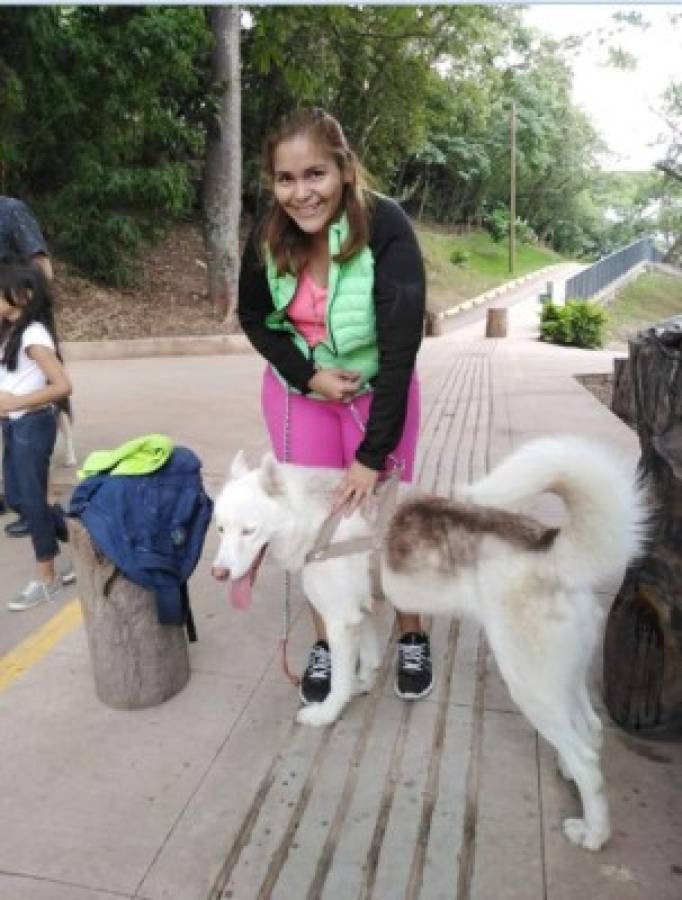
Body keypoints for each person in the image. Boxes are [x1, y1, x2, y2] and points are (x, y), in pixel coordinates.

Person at [238, 106, 432, 704]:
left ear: (344, 169)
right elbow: (254, 319)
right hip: (301, 397)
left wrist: (372, 458)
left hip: (382, 395)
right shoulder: (270, 233)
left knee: (388, 522)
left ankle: (410, 631)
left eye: (315, 174)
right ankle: (328, 639)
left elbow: (401, 351)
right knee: (313, 524)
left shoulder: (387, 225)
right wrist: (309, 376)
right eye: (286, 179)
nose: (301, 193)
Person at [0, 266, 73, 610]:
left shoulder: (33, 336)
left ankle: (47, 578)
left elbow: (62, 386)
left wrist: (16, 402)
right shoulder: (10, 331)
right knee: (17, 496)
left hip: (33, 423)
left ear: (23, 296)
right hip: (14, 424)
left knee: (30, 500)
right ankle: (85, 538)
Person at [0, 196, 53, 520]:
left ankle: (30, 507)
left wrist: (33, 314)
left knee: (18, 412)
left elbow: (41, 266)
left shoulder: (11, 210)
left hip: (14, 318)